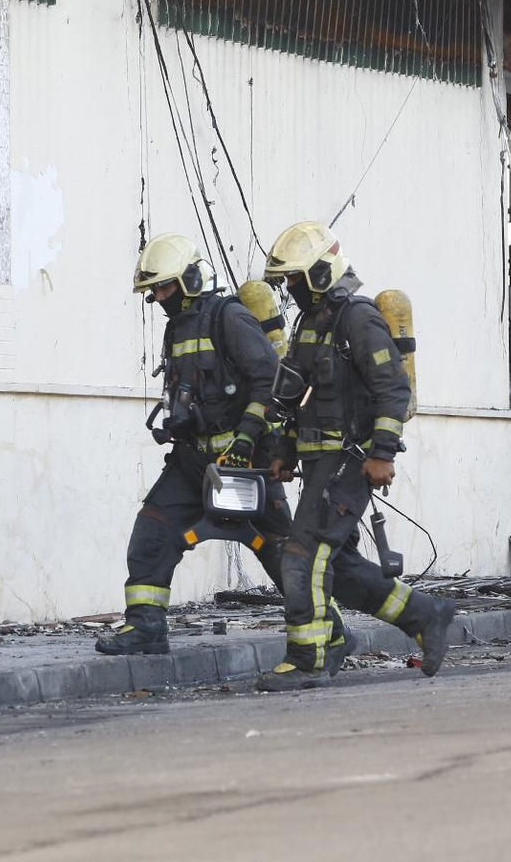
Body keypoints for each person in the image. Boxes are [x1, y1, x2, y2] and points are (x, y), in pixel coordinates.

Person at [97, 233, 353, 669]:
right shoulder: (178, 327)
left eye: (165, 287)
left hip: (245, 463)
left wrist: (247, 438)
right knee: (154, 529)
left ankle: (329, 630)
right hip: (193, 461)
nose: (159, 298)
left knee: (281, 551)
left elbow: (269, 380)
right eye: (154, 290)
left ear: (191, 279)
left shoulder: (228, 317)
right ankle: (145, 627)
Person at [255, 221, 456, 692]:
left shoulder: (359, 320)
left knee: (302, 556)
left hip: (349, 460)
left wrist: (382, 453)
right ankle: (425, 615)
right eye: (286, 280)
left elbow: (393, 389)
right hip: (318, 463)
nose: (290, 288)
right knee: (340, 569)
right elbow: (297, 395)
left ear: (321, 272)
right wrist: (284, 449)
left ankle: (308, 658)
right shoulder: (311, 323)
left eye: (295, 278)